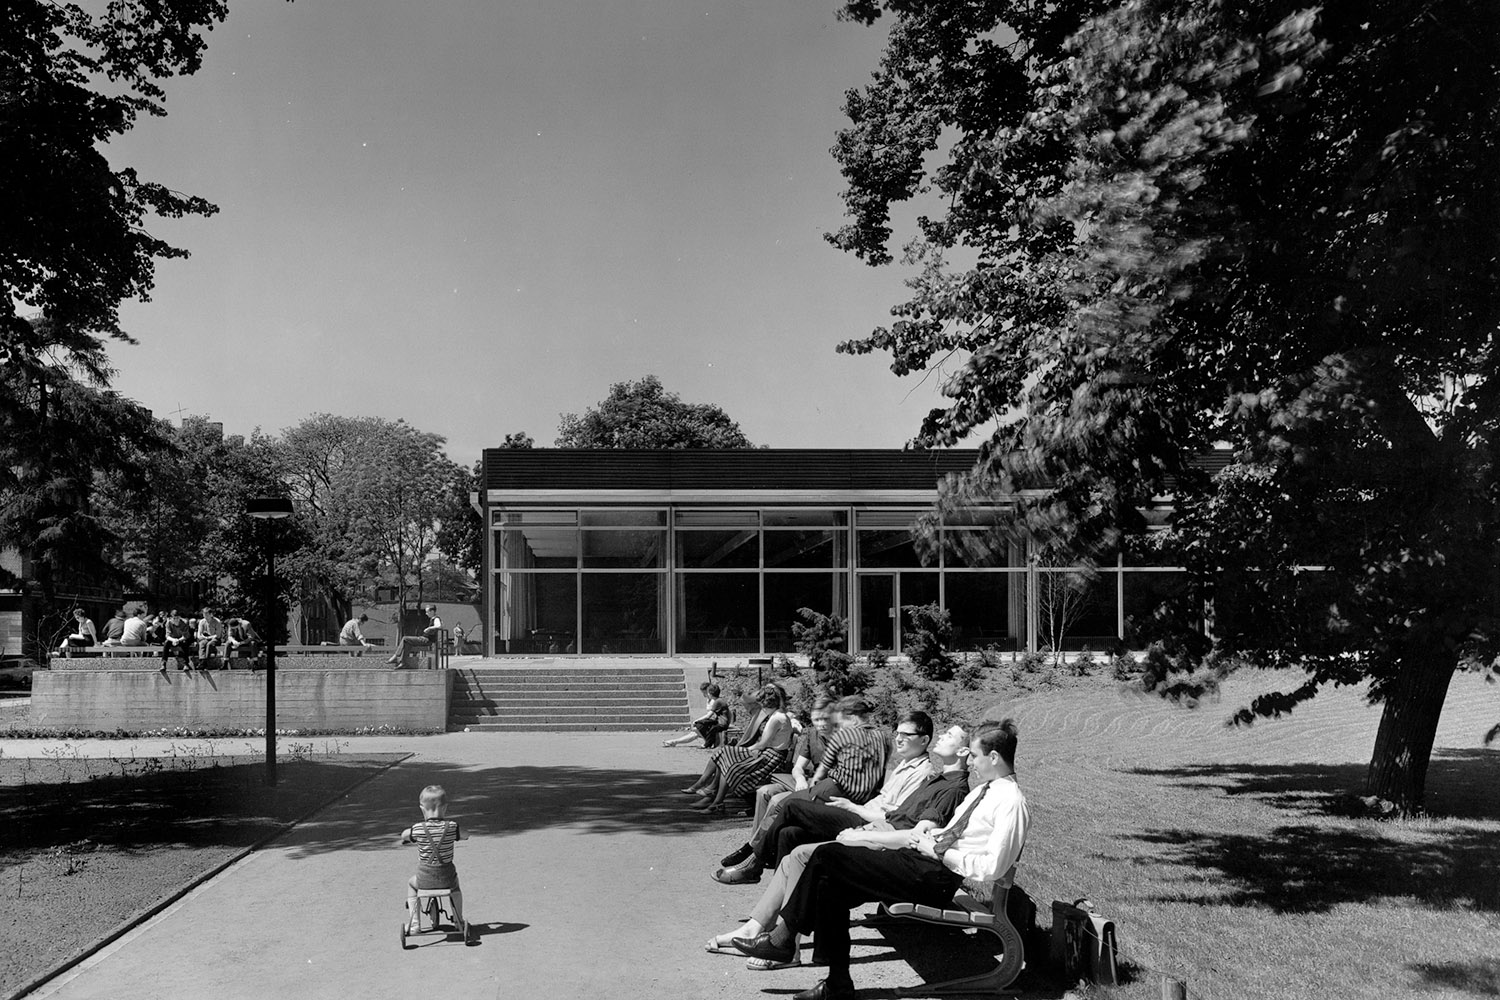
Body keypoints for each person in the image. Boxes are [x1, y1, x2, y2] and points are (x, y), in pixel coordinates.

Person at [733, 720, 1030, 1000]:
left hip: (934, 877)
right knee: (829, 883)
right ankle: (837, 982)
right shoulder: (985, 790)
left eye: (975, 756)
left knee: (826, 856)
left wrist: (937, 849)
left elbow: (993, 867)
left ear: (993, 757)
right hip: (922, 859)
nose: (973, 763)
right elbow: (958, 833)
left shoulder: (1011, 802)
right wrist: (932, 833)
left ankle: (785, 939)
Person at [705, 724, 972, 970]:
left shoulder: (952, 788)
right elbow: (897, 815)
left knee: (800, 850)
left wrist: (858, 832)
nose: (943, 736)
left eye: (949, 736)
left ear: (963, 751)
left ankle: (787, 943)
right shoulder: (937, 779)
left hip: (891, 846)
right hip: (876, 829)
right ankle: (758, 929)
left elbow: (914, 834)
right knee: (791, 845)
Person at [714, 710, 936, 884]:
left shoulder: (922, 772)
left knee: (791, 806)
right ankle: (781, 895)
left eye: (906, 735)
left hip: (870, 824)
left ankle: (755, 863)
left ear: (924, 740)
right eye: (897, 733)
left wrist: (853, 807)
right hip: (860, 813)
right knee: (789, 833)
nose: (898, 739)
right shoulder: (905, 764)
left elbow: (893, 817)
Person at [683, 685, 794, 813]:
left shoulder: (776, 718)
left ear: (766, 703)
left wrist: (747, 750)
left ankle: (714, 797)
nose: (761, 708)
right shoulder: (777, 716)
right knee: (725, 753)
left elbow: (762, 744)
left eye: (761, 704)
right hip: (768, 755)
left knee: (729, 759)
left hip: (770, 759)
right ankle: (713, 797)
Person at [398, 784, 469, 938]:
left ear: (422, 809)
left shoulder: (418, 828)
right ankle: (459, 921)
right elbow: (466, 834)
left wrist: (407, 837)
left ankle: (415, 925)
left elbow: (404, 835)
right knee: (455, 888)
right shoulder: (451, 827)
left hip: (424, 880)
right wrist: (460, 835)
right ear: (445, 808)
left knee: (411, 884)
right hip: (447, 879)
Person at [662, 682, 730, 748]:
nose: (704, 695)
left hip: (714, 722)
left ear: (710, 692)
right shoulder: (711, 700)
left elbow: (710, 715)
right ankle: (674, 742)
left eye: (705, 693)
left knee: (697, 728)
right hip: (712, 721)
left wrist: (697, 720)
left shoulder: (715, 701)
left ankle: (709, 742)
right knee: (695, 732)